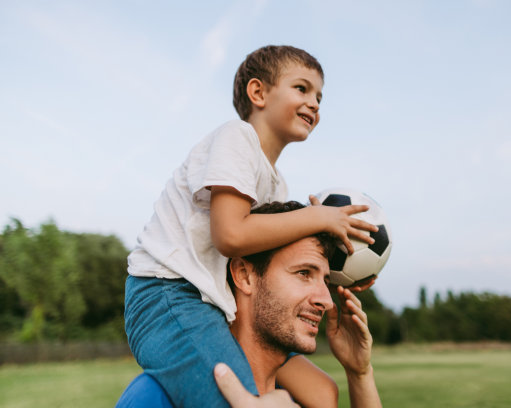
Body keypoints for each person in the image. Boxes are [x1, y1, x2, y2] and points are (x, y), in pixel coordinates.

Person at [123, 45, 378, 407]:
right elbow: (230, 236)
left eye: (319, 96)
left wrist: (343, 272)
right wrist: (316, 216)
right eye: (302, 89)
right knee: (235, 399)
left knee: (322, 393)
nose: (315, 103)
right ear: (258, 93)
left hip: (215, 302)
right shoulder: (236, 138)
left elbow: (270, 263)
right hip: (168, 295)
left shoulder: (277, 185)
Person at [117, 201, 382, 408]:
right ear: (244, 276)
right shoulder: (156, 395)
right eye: (303, 273)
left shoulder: (302, 398)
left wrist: (360, 374)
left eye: (324, 280)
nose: (325, 300)